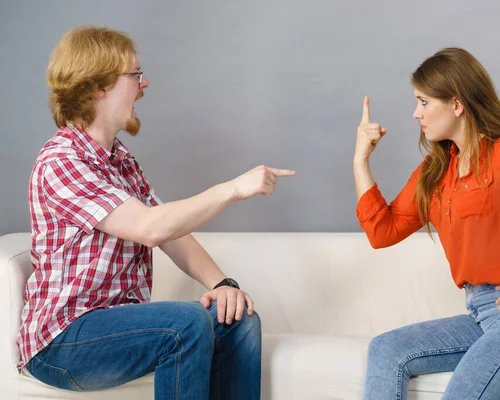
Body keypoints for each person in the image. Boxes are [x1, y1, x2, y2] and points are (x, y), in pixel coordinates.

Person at [18, 25, 295, 400]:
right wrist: (232, 189)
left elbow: (171, 232)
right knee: (186, 323)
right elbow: (150, 228)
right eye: (134, 75)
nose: (144, 84)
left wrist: (222, 285)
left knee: (237, 319)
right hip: (64, 342)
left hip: (113, 327)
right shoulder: (62, 160)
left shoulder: (120, 160)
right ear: (99, 85)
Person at [353, 47, 500, 399]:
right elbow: (381, 232)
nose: (415, 114)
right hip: (482, 315)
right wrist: (361, 161)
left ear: (457, 105)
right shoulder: (435, 172)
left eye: (423, 102)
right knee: (386, 351)